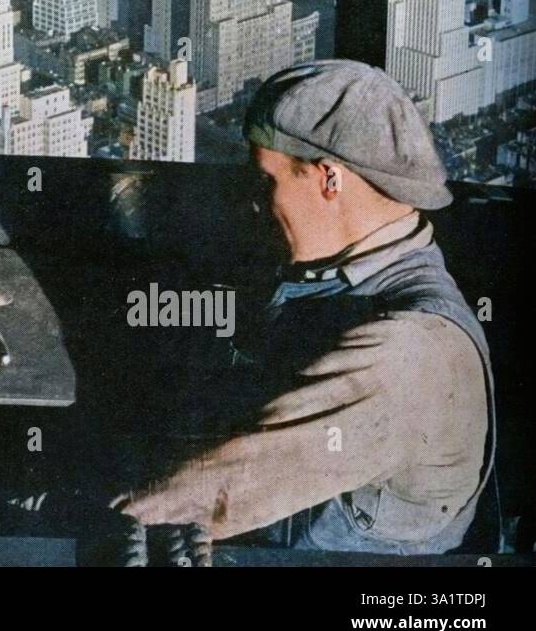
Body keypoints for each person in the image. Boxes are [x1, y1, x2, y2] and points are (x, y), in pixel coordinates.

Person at [117, 60, 495, 554]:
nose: (254, 203)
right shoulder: (347, 267)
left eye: (266, 181)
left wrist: (83, 513)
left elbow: (223, 489)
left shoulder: (409, 353)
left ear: (330, 180)